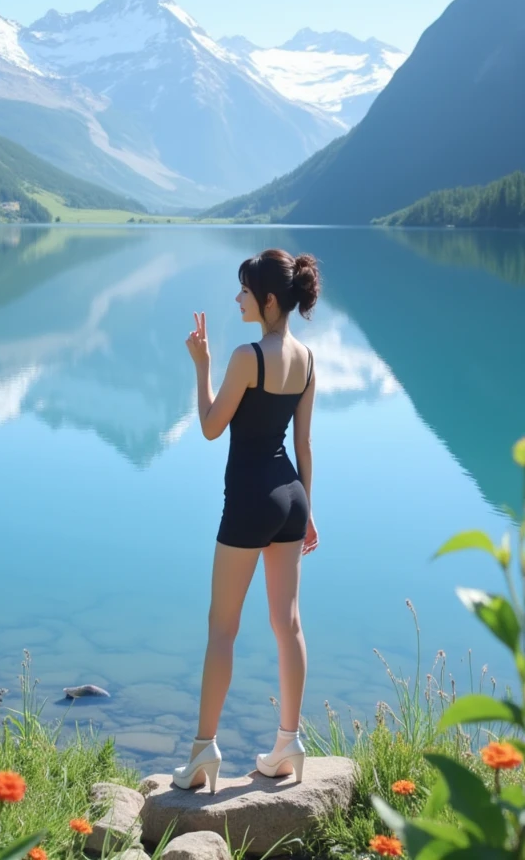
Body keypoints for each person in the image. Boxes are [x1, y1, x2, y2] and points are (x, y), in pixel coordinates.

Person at [172, 248, 320, 793]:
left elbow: (213, 426)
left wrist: (202, 366)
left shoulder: (245, 357)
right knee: (289, 624)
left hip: (250, 500)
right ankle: (288, 743)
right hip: (291, 495)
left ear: (269, 301)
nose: (237, 298)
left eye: (244, 291)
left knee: (222, 629)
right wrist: (309, 513)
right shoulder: (306, 359)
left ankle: (202, 752)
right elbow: (303, 443)